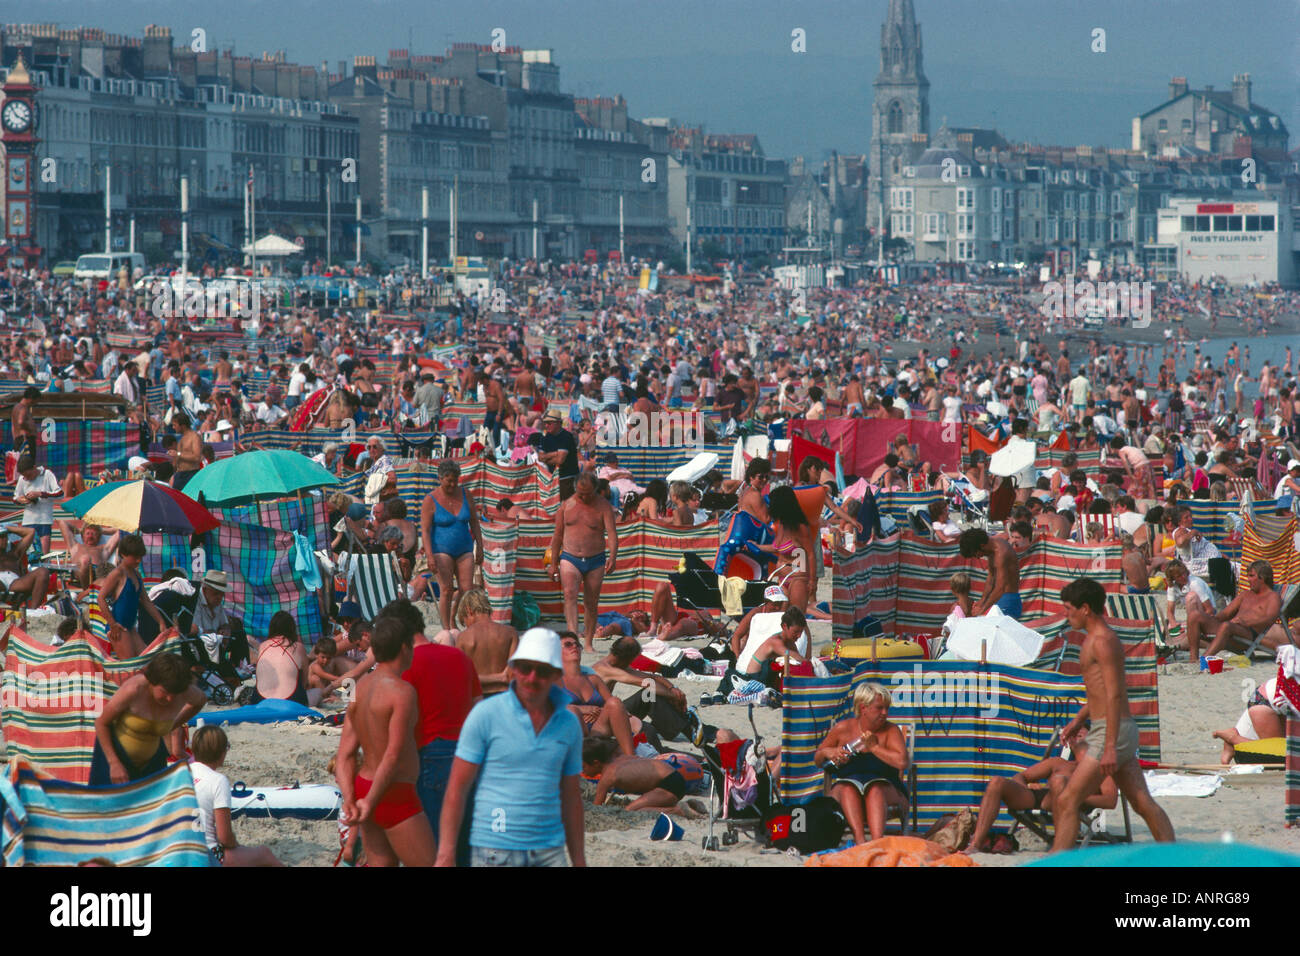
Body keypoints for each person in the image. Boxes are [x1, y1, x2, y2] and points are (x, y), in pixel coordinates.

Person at [437, 627, 586, 867]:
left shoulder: (568, 724)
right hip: (494, 848)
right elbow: (457, 788)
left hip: (548, 850)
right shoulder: (485, 715)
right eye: (525, 668)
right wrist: (445, 853)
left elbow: (571, 796)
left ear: (557, 675)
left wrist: (579, 860)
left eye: (543, 671)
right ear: (513, 669)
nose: (532, 677)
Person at [1051, 577, 1175, 852]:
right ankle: (1173, 856)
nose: (1065, 614)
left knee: (1067, 799)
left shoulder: (1103, 641)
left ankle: (1057, 860)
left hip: (1112, 731)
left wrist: (1108, 747)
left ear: (1085, 608)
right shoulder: (1096, 639)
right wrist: (1078, 720)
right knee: (1142, 802)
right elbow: (1100, 691)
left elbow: (1116, 693)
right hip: (1114, 729)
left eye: (1069, 608)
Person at [335, 616, 437, 867]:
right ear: (404, 648)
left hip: (364, 785)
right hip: (393, 791)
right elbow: (393, 754)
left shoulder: (359, 691)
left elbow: (345, 754)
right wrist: (370, 801)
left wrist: (350, 799)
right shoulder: (401, 692)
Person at [390, 598, 481, 865]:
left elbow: (401, 722)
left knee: (435, 849)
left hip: (430, 755)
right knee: (463, 847)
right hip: (468, 755)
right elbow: (478, 710)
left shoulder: (407, 666)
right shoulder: (460, 657)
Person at [968, 728, 1118, 852]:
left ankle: (1059, 848)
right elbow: (1021, 776)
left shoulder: (1100, 768)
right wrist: (1025, 786)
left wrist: (1073, 796)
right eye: (1074, 732)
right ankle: (976, 844)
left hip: (1072, 803)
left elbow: (1110, 800)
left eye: (1081, 731)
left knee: (1059, 781)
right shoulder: (1058, 763)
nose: (1077, 733)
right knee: (996, 782)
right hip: (1042, 798)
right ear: (1069, 743)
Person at [814, 683, 909, 845]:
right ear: (863, 708)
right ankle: (860, 841)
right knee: (847, 788)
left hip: (885, 789)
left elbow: (902, 763)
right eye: (879, 708)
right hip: (848, 789)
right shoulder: (843, 729)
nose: (885, 713)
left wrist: (874, 747)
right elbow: (818, 759)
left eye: (887, 708)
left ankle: (877, 842)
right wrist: (828, 752)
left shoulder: (891, 731)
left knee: (874, 788)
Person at [90, 652, 204, 785]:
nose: (170, 699)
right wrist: (113, 762)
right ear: (152, 682)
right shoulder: (134, 689)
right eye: (165, 692)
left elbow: (200, 701)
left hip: (152, 763)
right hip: (116, 757)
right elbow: (101, 722)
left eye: (175, 694)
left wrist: (172, 724)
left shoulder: (182, 690)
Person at [190, 726, 284, 866]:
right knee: (264, 854)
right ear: (221, 752)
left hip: (179, 851)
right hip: (205, 856)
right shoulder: (217, 780)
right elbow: (225, 837)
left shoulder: (182, 773)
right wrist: (235, 844)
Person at [549, 470, 619, 652]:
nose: (584, 497)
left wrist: (613, 556)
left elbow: (612, 534)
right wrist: (553, 563)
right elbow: (557, 536)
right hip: (570, 557)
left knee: (591, 602)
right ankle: (573, 636)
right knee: (570, 593)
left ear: (595, 489)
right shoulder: (566, 505)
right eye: (581, 493)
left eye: (588, 494)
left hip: (595, 558)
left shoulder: (603, 506)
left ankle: (588, 642)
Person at [421, 460, 483, 634]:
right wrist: (429, 556)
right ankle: (446, 629)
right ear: (440, 478)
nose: (453, 484)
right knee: (446, 589)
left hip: (465, 547)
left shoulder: (465, 494)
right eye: (449, 481)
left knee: (467, 588)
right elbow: (425, 531)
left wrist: (480, 546)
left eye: (455, 480)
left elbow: (474, 522)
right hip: (441, 548)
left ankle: (452, 616)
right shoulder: (430, 500)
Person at [558, 631, 639, 755]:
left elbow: (613, 706)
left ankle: (630, 757)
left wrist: (597, 711)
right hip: (575, 732)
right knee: (571, 711)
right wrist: (582, 709)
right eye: (568, 644)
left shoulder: (593, 679)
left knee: (615, 702)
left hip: (598, 728)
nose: (574, 646)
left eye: (577, 644)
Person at [583, 738, 703, 816]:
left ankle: (678, 811)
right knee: (644, 804)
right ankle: (692, 805)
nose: (582, 771)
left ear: (596, 763)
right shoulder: (621, 759)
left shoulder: (606, 777)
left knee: (631, 811)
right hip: (675, 777)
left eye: (583, 767)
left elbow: (596, 809)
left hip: (667, 785)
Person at [1190, 560, 1283, 660]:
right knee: (1195, 615)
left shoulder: (1273, 597)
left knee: (1226, 626)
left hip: (1249, 634)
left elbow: (1270, 619)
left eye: (1252, 576)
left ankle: (1204, 659)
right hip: (1231, 629)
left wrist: (1245, 622)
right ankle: (1193, 658)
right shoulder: (1245, 594)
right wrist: (1214, 618)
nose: (1248, 579)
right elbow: (1226, 613)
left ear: (1263, 578)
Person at [97, 535, 166, 657]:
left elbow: (146, 601)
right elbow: (100, 598)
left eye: (140, 556)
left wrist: (161, 621)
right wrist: (112, 624)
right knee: (130, 667)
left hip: (130, 626)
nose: (138, 560)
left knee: (146, 662)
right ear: (123, 554)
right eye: (135, 557)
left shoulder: (137, 574)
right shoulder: (117, 574)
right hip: (119, 628)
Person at [958, 528, 1023, 619]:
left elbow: (1001, 587)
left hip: (1008, 600)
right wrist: (982, 600)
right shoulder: (992, 550)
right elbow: (991, 578)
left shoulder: (1001, 552)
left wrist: (983, 609)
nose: (977, 557)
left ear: (982, 545)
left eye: (975, 554)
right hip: (1001, 599)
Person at [251, 611, 309, 706]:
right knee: (317, 692)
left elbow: (259, 679)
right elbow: (305, 682)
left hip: (260, 701)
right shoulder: (298, 647)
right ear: (292, 629)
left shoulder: (262, 646)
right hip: (291, 701)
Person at [13, 454, 60, 556]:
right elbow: (15, 498)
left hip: (44, 520)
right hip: (28, 521)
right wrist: (22, 500)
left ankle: (44, 570)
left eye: (29, 475)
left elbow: (60, 493)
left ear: (34, 467)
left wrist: (40, 494)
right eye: (24, 476)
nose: (27, 479)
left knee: (43, 555)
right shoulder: (22, 479)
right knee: (28, 555)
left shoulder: (47, 474)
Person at [56, 520, 119, 588]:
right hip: (78, 570)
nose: (90, 537)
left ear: (99, 537)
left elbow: (121, 531)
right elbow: (62, 522)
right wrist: (78, 531)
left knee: (86, 559)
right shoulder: (75, 546)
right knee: (85, 559)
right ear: (82, 536)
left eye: (94, 534)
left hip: (97, 573)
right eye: (88, 533)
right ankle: (86, 591)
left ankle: (86, 592)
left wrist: (102, 530)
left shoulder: (104, 549)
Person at [539, 406, 580, 499]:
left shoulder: (566, 437)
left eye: (549, 423)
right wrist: (554, 454)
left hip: (567, 479)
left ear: (558, 423)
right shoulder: (546, 437)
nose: (546, 425)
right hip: (553, 479)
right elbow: (540, 458)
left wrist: (546, 458)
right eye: (545, 423)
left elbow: (560, 461)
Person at [190, 569, 230, 637]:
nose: (219, 597)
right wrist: (215, 635)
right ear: (205, 589)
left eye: (222, 594)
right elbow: (195, 630)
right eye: (216, 593)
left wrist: (225, 630)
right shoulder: (195, 601)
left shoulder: (217, 603)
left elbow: (224, 623)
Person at [171, 411, 203, 491]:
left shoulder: (194, 437)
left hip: (191, 474)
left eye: (175, 425)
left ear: (182, 425)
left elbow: (197, 457)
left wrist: (178, 454)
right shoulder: (181, 439)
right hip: (179, 475)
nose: (173, 427)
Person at [11, 385, 39, 457]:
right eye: (36, 400)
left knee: (18, 464)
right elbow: (21, 421)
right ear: (31, 398)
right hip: (25, 440)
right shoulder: (23, 409)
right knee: (27, 464)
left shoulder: (16, 407)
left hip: (18, 440)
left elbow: (14, 426)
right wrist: (27, 432)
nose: (36, 403)